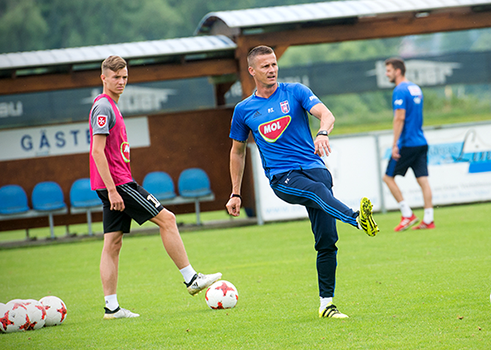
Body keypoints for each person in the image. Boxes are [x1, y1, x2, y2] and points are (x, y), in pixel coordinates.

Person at [225, 45, 379, 319]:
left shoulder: (295, 91)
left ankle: (326, 304)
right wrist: (235, 193)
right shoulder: (244, 109)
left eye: (274, 64)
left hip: (316, 168)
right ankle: (356, 218)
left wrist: (322, 133)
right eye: (265, 66)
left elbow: (327, 114)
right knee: (318, 192)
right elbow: (237, 152)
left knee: (327, 241)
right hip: (283, 177)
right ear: (252, 71)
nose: (272, 69)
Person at [89, 55, 221, 320]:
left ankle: (111, 308)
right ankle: (191, 278)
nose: (121, 82)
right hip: (119, 184)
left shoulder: (110, 106)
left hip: (114, 183)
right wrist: (114, 190)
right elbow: (97, 151)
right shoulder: (103, 107)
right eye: (116, 77)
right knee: (168, 219)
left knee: (112, 243)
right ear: (103, 78)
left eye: (125, 77)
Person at [383, 57, 435, 232]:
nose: (386, 74)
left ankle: (407, 214)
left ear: (398, 71)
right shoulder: (415, 88)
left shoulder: (400, 90)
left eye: (389, 70)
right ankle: (429, 218)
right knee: (423, 180)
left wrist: (395, 144)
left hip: (407, 143)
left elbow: (400, 117)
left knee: (388, 177)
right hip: (421, 140)